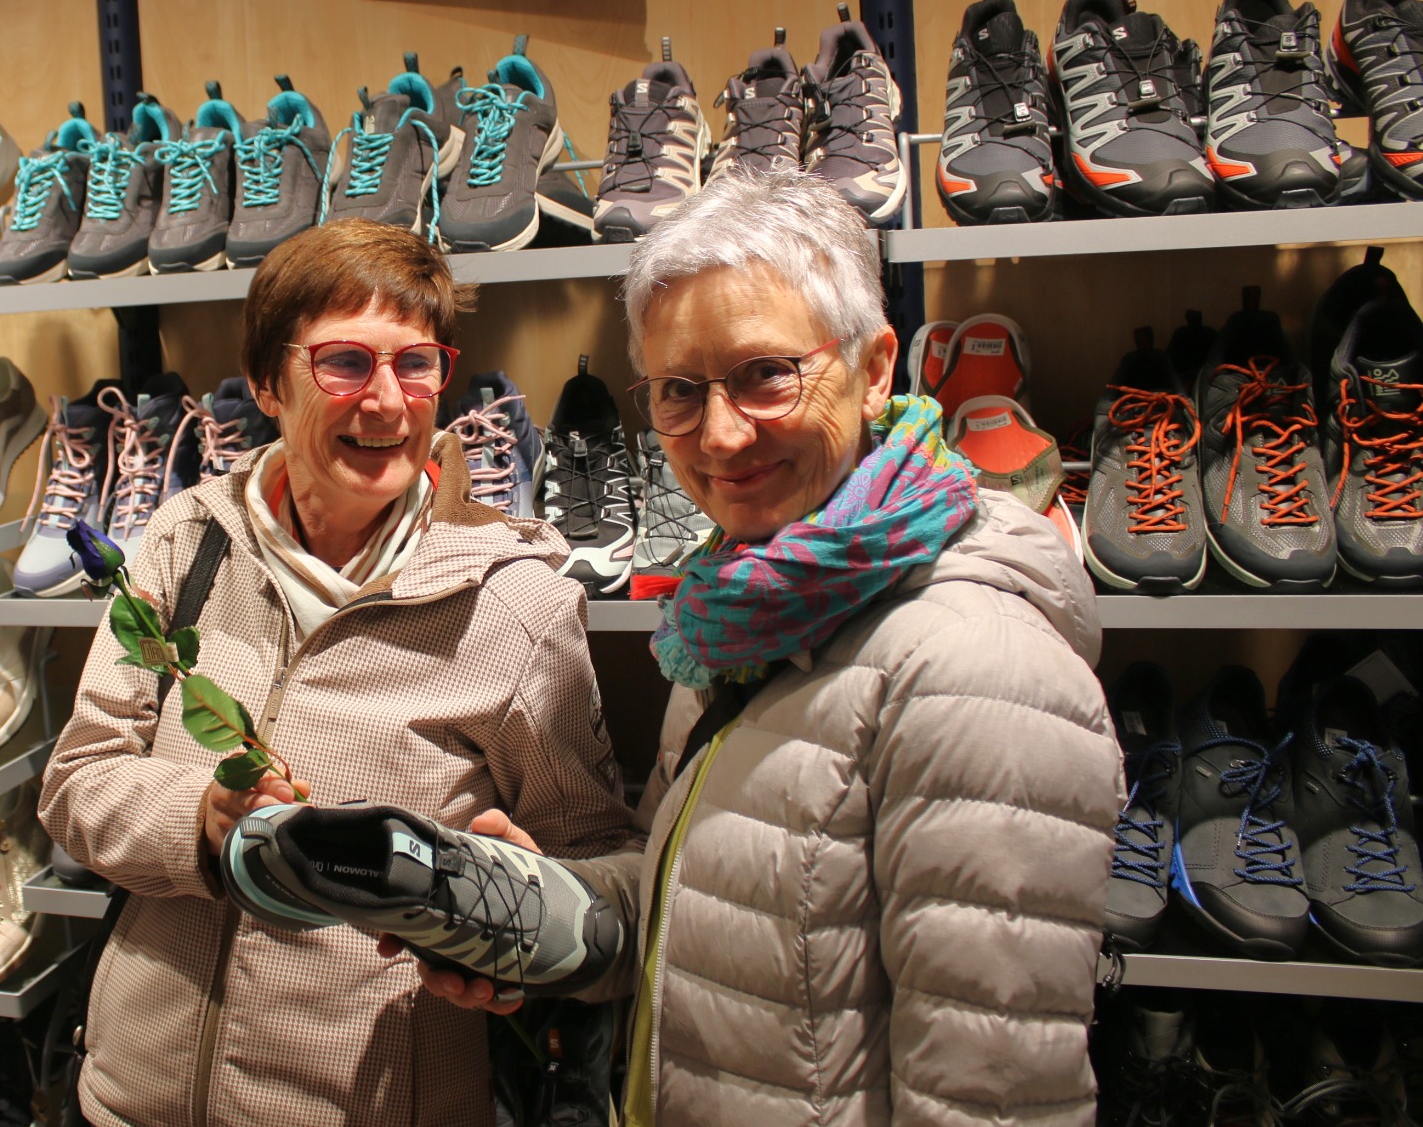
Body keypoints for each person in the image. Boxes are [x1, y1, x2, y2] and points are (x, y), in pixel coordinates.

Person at [418, 169, 1124, 1125]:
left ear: (875, 369)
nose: (719, 434)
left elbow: (994, 1103)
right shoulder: (746, 606)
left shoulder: (973, 670)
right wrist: (536, 910)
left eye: (764, 374)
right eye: (678, 391)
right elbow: (705, 907)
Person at [37, 217, 633, 1127]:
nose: (389, 402)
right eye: (345, 363)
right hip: (128, 1099)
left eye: (417, 363)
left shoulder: (515, 606)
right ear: (271, 385)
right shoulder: (187, 538)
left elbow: (600, 878)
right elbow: (76, 780)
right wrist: (199, 822)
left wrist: (520, 923)